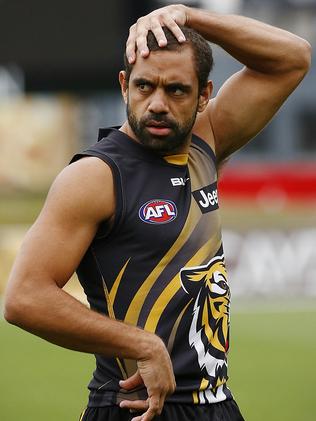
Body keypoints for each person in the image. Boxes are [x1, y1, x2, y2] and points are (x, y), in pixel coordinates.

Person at [4, 4, 311, 421]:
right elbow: (24, 297)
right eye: (144, 87)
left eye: (177, 90)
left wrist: (190, 16)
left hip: (217, 405)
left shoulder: (206, 142)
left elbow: (293, 58)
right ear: (123, 85)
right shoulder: (96, 176)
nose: (158, 104)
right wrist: (141, 344)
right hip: (135, 407)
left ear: (204, 94)